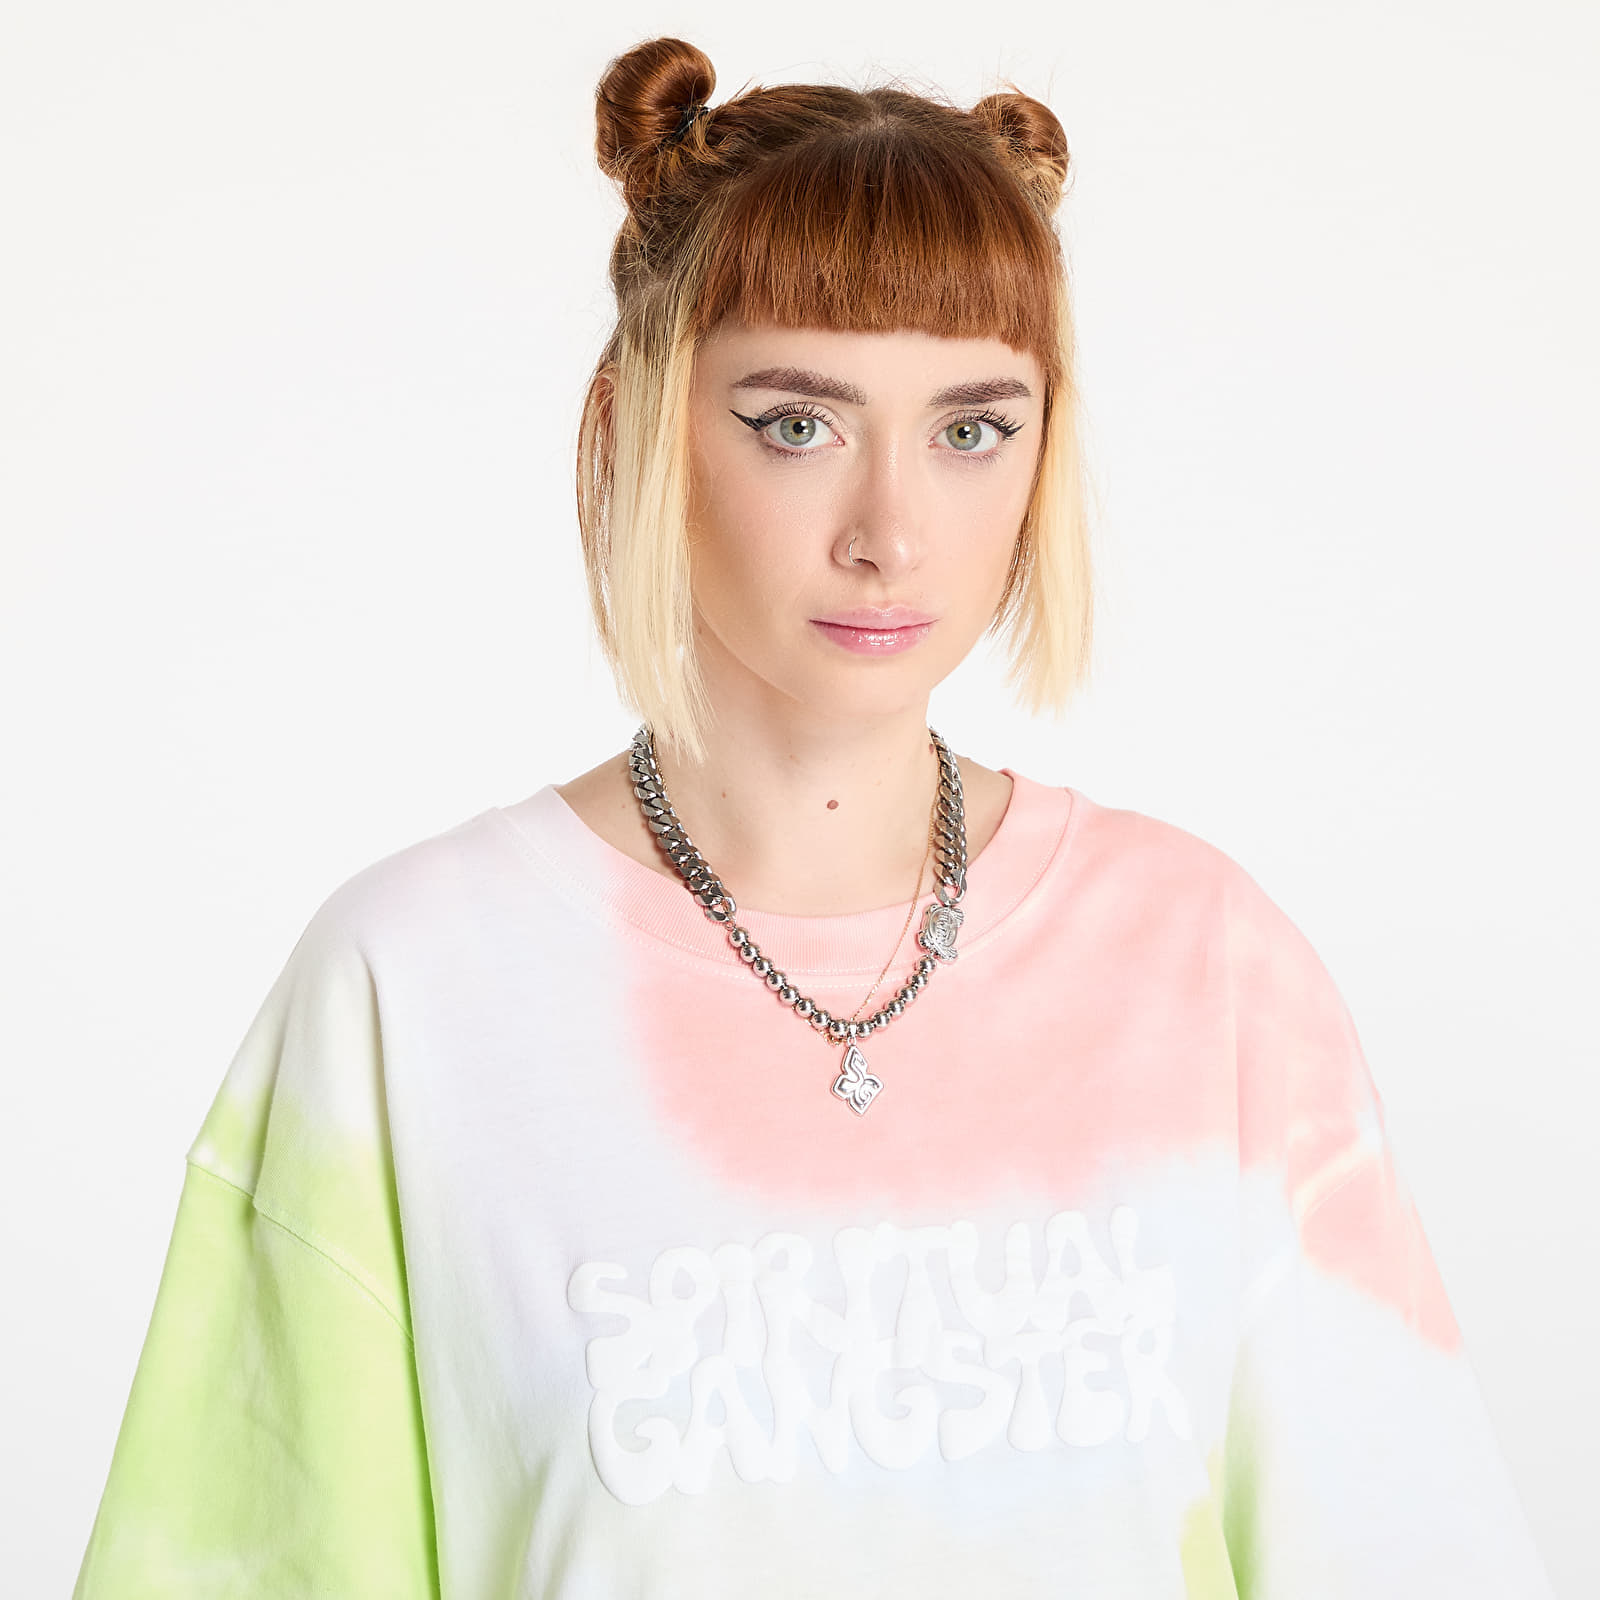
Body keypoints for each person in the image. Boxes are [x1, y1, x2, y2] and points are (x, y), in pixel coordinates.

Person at [72, 35, 1553, 1600]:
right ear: (635, 424)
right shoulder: (413, 988)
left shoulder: (1207, 968)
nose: (891, 532)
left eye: (972, 428)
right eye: (797, 423)